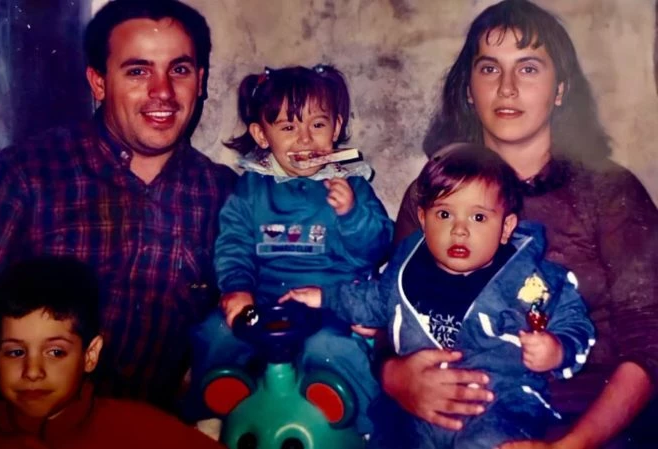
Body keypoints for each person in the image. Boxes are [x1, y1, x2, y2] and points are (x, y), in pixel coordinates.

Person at [0, 0, 236, 443]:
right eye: (138, 71)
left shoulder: (224, 197)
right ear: (98, 82)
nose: (163, 91)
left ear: (201, 80)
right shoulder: (25, 177)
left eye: (179, 70)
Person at [383, 1, 658, 448]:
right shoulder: (430, 192)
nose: (507, 88)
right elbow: (387, 307)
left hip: (587, 421)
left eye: (528, 69)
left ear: (560, 90)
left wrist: (569, 445)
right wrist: (395, 376)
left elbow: (650, 341)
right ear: (468, 89)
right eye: (490, 69)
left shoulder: (609, 192)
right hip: (451, 426)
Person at [281, 143, 595, 448]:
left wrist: (558, 349)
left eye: (478, 217)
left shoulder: (530, 277)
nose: (459, 230)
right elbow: (371, 299)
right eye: (444, 214)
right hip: (416, 406)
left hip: (497, 404)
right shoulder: (407, 270)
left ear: (505, 227)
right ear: (423, 219)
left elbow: (573, 320)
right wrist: (325, 297)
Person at [188, 65, 393, 435]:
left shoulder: (352, 185)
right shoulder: (251, 189)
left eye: (318, 124)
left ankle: (361, 423)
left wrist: (351, 214)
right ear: (261, 135)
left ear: (336, 127)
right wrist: (237, 288)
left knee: (333, 348)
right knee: (215, 332)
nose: (304, 139)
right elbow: (233, 243)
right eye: (288, 128)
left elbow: (376, 249)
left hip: (331, 304)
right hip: (264, 302)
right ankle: (215, 409)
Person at [0, 256, 224, 449]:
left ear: (90, 355)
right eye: (15, 352)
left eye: (55, 352)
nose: (33, 372)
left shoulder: (143, 430)